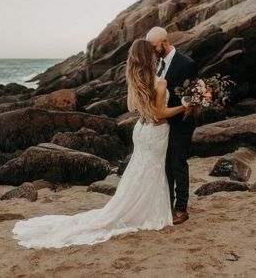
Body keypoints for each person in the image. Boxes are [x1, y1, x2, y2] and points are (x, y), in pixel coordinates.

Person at [12, 39, 187, 249]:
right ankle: (148, 211)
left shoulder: (134, 80)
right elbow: (160, 113)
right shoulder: (160, 83)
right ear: (150, 57)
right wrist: (184, 106)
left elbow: (131, 107)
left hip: (141, 130)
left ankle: (133, 207)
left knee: (140, 170)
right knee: (153, 170)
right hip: (157, 130)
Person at [146, 26, 198, 225]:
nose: (152, 50)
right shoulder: (158, 62)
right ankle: (167, 204)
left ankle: (181, 209)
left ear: (164, 42)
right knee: (165, 164)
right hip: (163, 124)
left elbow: (189, 99)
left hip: (181, 123)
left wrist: (166, 115)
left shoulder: (187, 64)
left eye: (153, 46)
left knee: (178, 163)